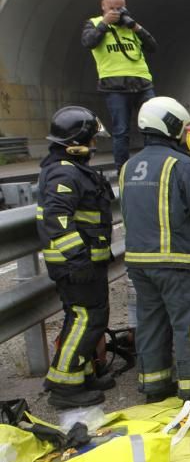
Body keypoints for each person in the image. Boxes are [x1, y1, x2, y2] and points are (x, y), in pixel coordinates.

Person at [120, 96, 190, 407]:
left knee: (152, 322)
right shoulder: (181, 165)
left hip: (138, 261)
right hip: (176, 260)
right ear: (171, 126)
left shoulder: (129, 166)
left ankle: (155, 386)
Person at [37, 106, 116, 408]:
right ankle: (64, 385)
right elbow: (57, 218)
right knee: (85, 319)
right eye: (92, 140)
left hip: (85, 262)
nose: (95, 146)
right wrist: (77, 258)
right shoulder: (63, 172)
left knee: (88, 318)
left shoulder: (70, 169)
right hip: (76, 265)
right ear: (78, 140)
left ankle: (81, 375)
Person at [81, 0, 157, 170]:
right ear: (103, 6)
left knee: (153, 125)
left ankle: (154, 165)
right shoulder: (94, 24)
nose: (116, 12)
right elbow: (89, 42)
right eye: (112, 8)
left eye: (119, 8)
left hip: (143, 82)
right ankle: (122, 169)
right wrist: (105, 23)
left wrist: (137, 28)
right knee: (121, 131)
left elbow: (153, 46)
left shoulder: (130, 27)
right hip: (115, 86)